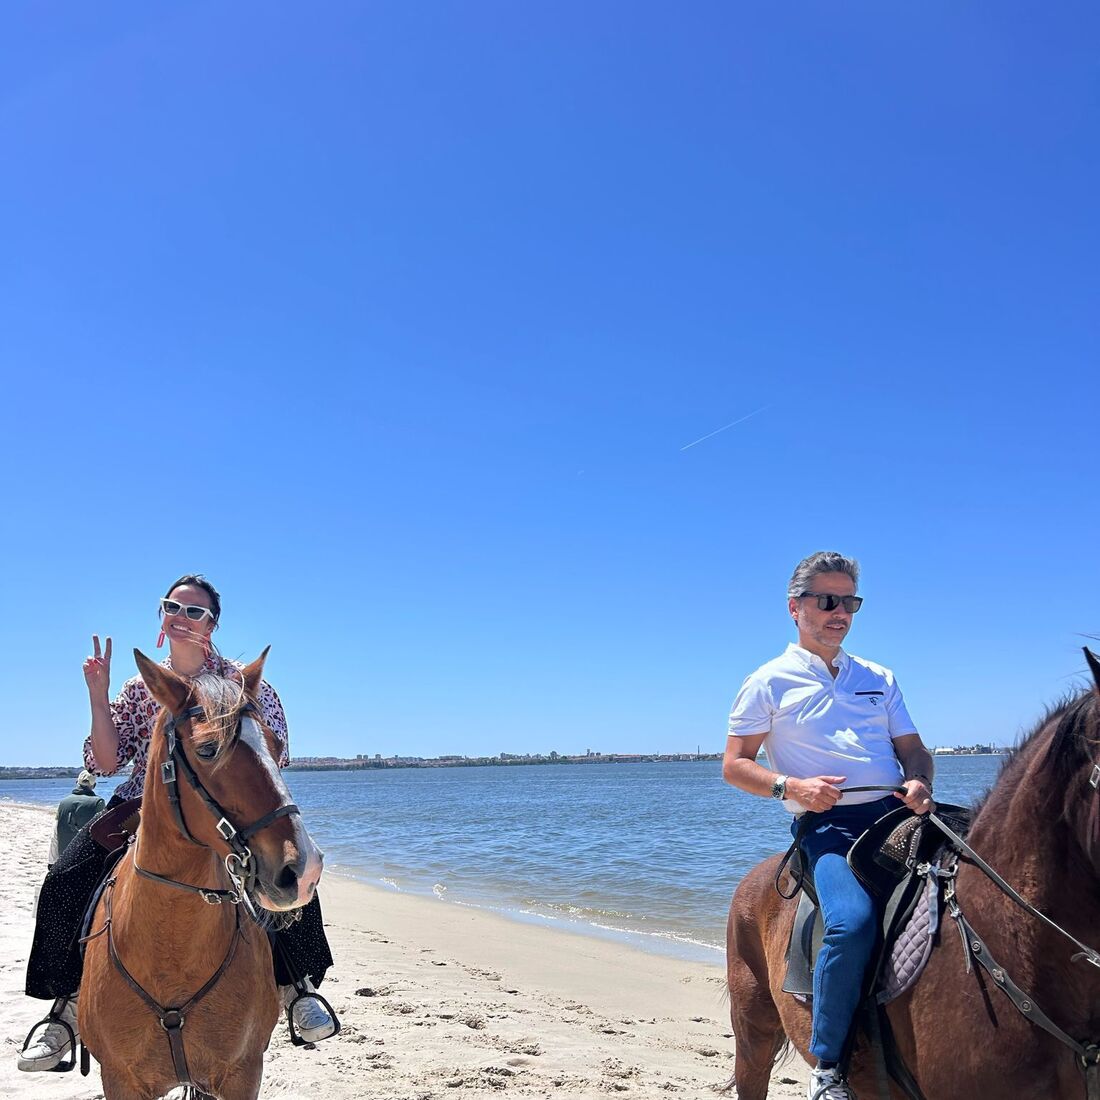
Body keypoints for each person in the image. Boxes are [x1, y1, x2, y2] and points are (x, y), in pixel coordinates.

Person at [18, 574, 338, 1073]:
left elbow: (272, 758)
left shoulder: (243, 683)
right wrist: (98, 696)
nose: (182, 617)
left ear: (213, 624)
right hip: (140, 808)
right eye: (173, 607)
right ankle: (65, 1008)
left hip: (225, 806)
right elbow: (105, 764)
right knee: (65, 879)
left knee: (287, 869)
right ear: (161, 616)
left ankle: (296, 986)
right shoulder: (139, 685)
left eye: (195, 611)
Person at [722, 551, 934, 1100]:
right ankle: (831, 1066)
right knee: (851, 922)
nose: (840, 612)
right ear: (796, 608)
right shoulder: (767, 682)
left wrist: (918, 781)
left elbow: (913, 749)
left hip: (899, 817)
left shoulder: (878, 676)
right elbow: (735, 764)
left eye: (850, 602)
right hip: (832, 827)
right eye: (828, 600)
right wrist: (791, 789)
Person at [48, 771, 105, 866]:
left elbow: (55, 834)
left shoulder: (63, 803)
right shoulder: (98, 802)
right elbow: (102, 834)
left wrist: (51, 862)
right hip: (86, 860)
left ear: (76, 782)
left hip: (64, 859)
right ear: (94, 785)